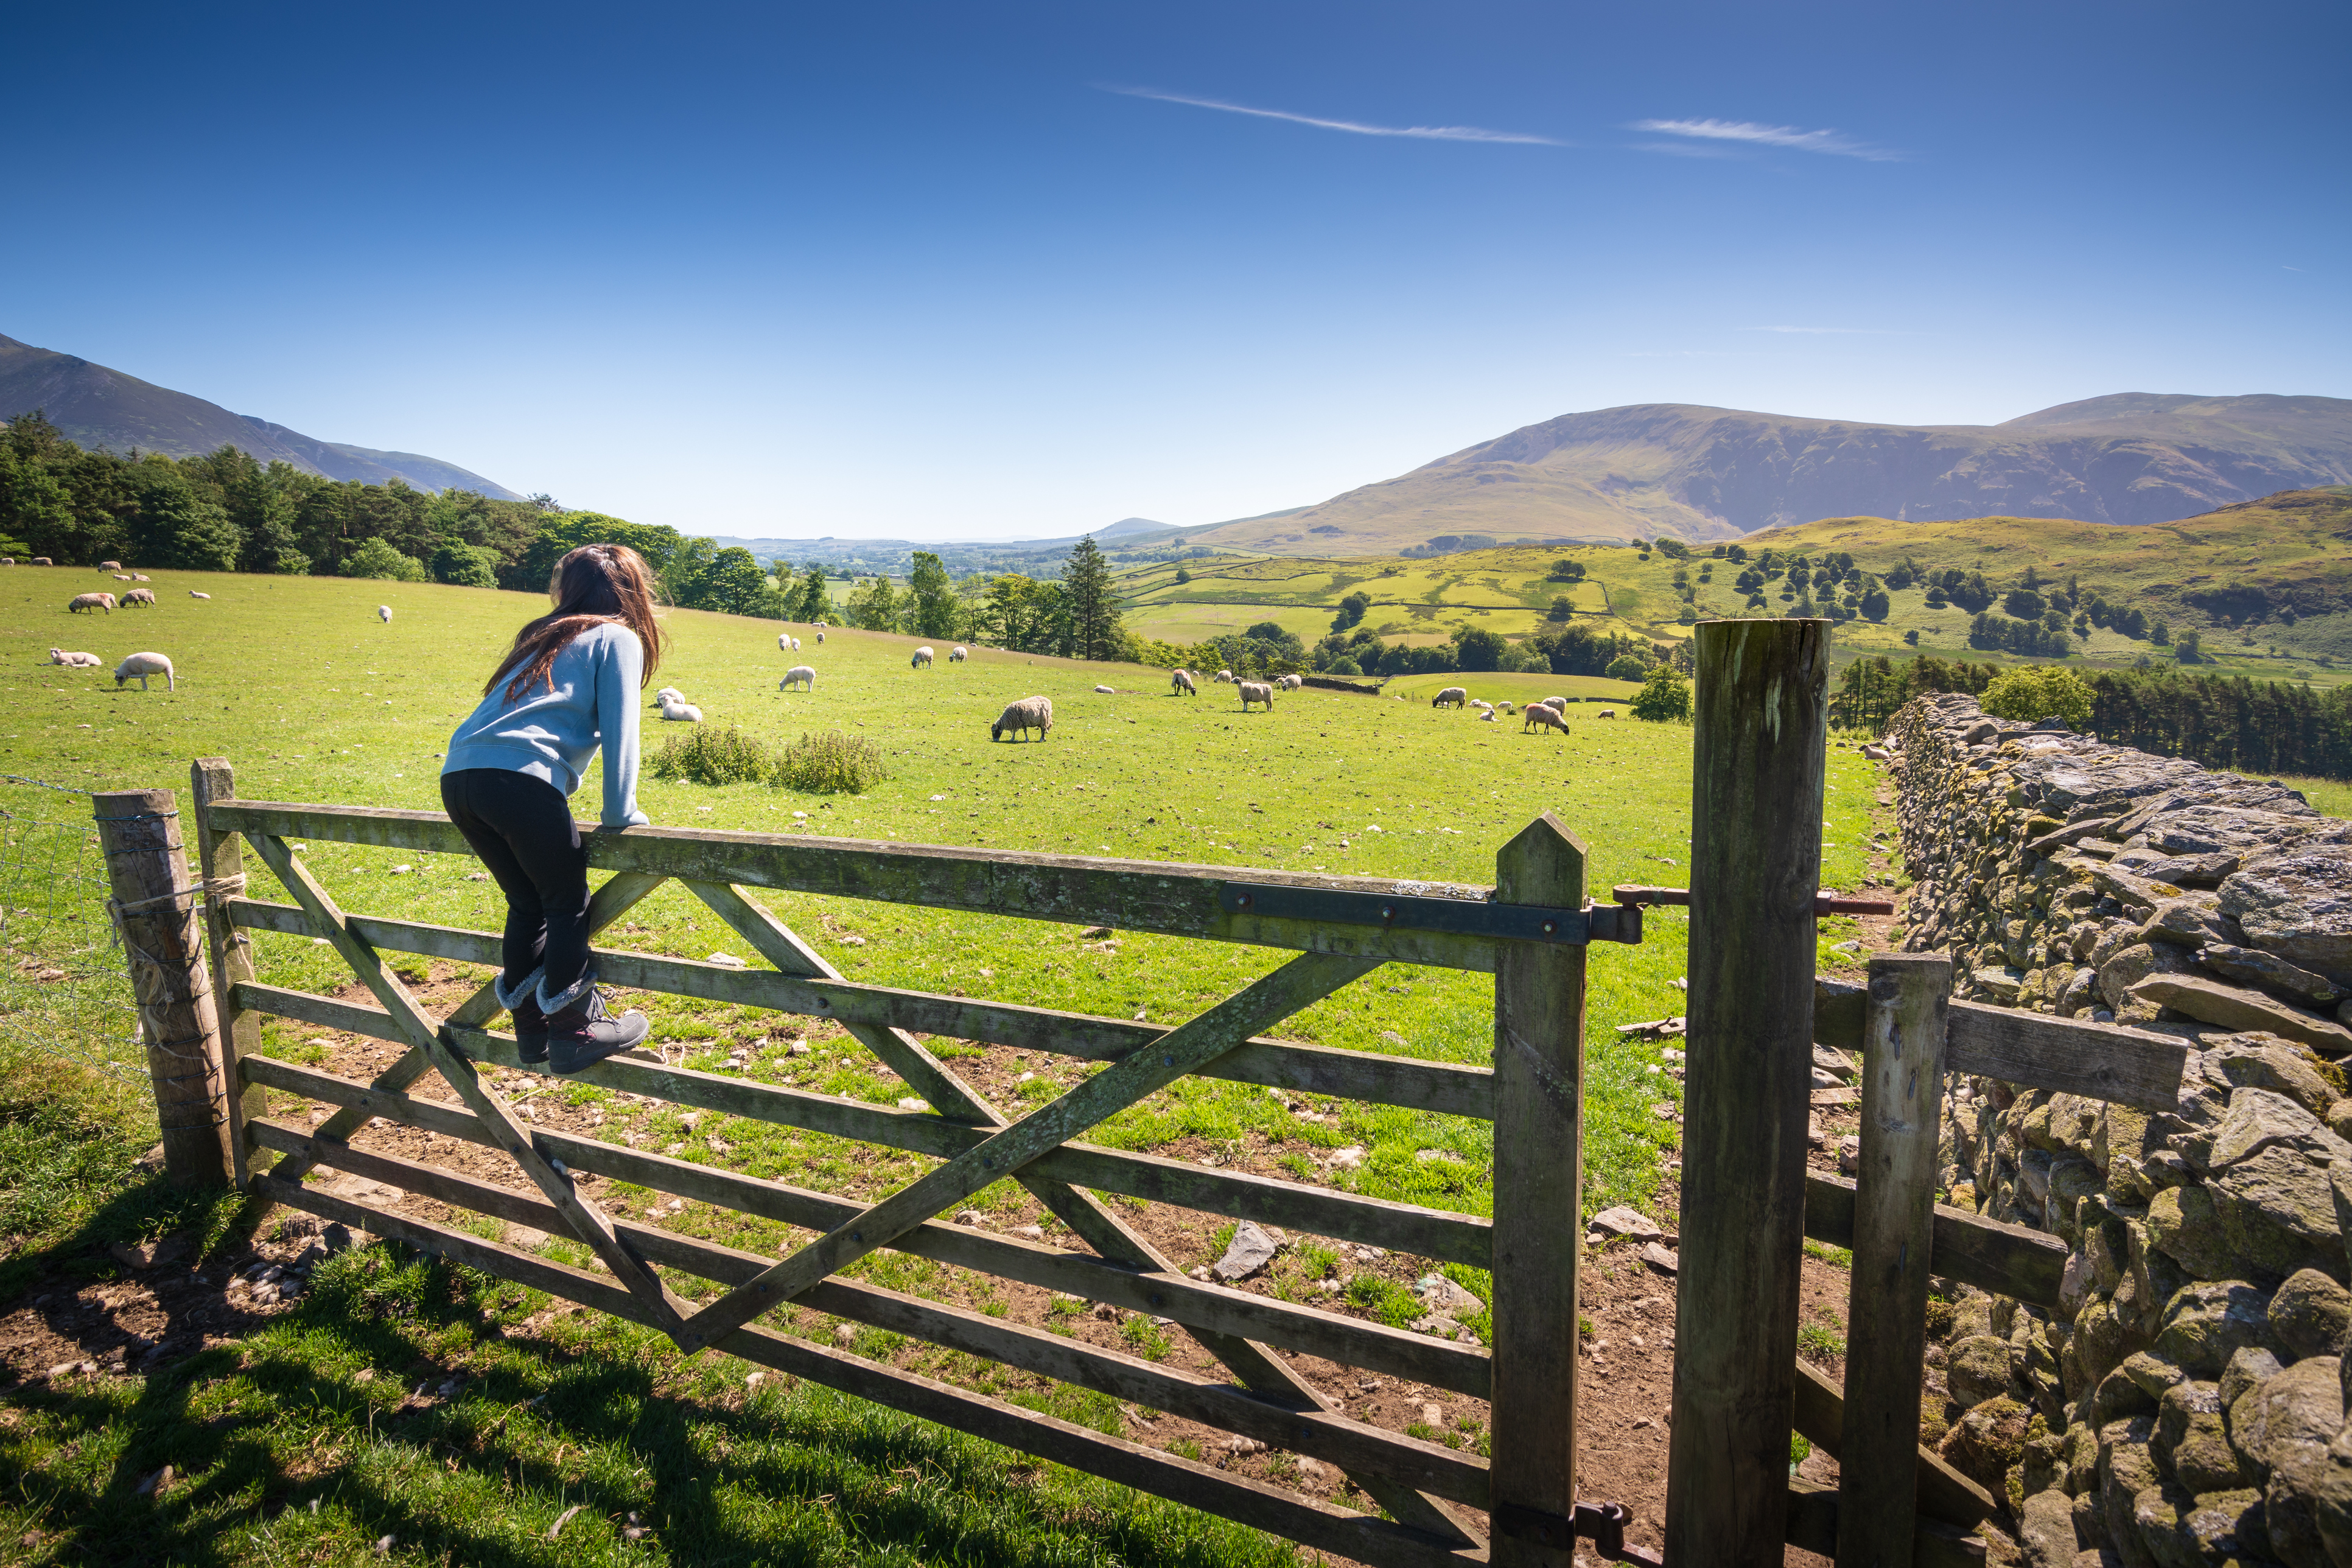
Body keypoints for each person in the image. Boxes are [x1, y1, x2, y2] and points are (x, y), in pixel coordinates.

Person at [441, 544, 660, 1073]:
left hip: (460, 776)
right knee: (567, 904)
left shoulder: (545, 635)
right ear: (633, 591)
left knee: (528, 903)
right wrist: (621, 814)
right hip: (520, 780)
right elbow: (621, 733)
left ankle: (533, 1031)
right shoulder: (617, 637)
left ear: (568, 589)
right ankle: (576, 1029)